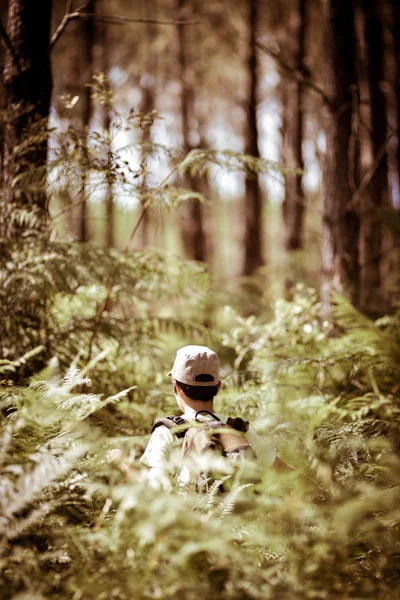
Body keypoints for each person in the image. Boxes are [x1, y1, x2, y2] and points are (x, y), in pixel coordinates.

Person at [140, 345, 292, 488]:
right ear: (218, 387)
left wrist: (122, 464)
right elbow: (289, 474)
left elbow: (153, 489)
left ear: (177, 387)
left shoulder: (168, 432)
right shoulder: (239, 430)